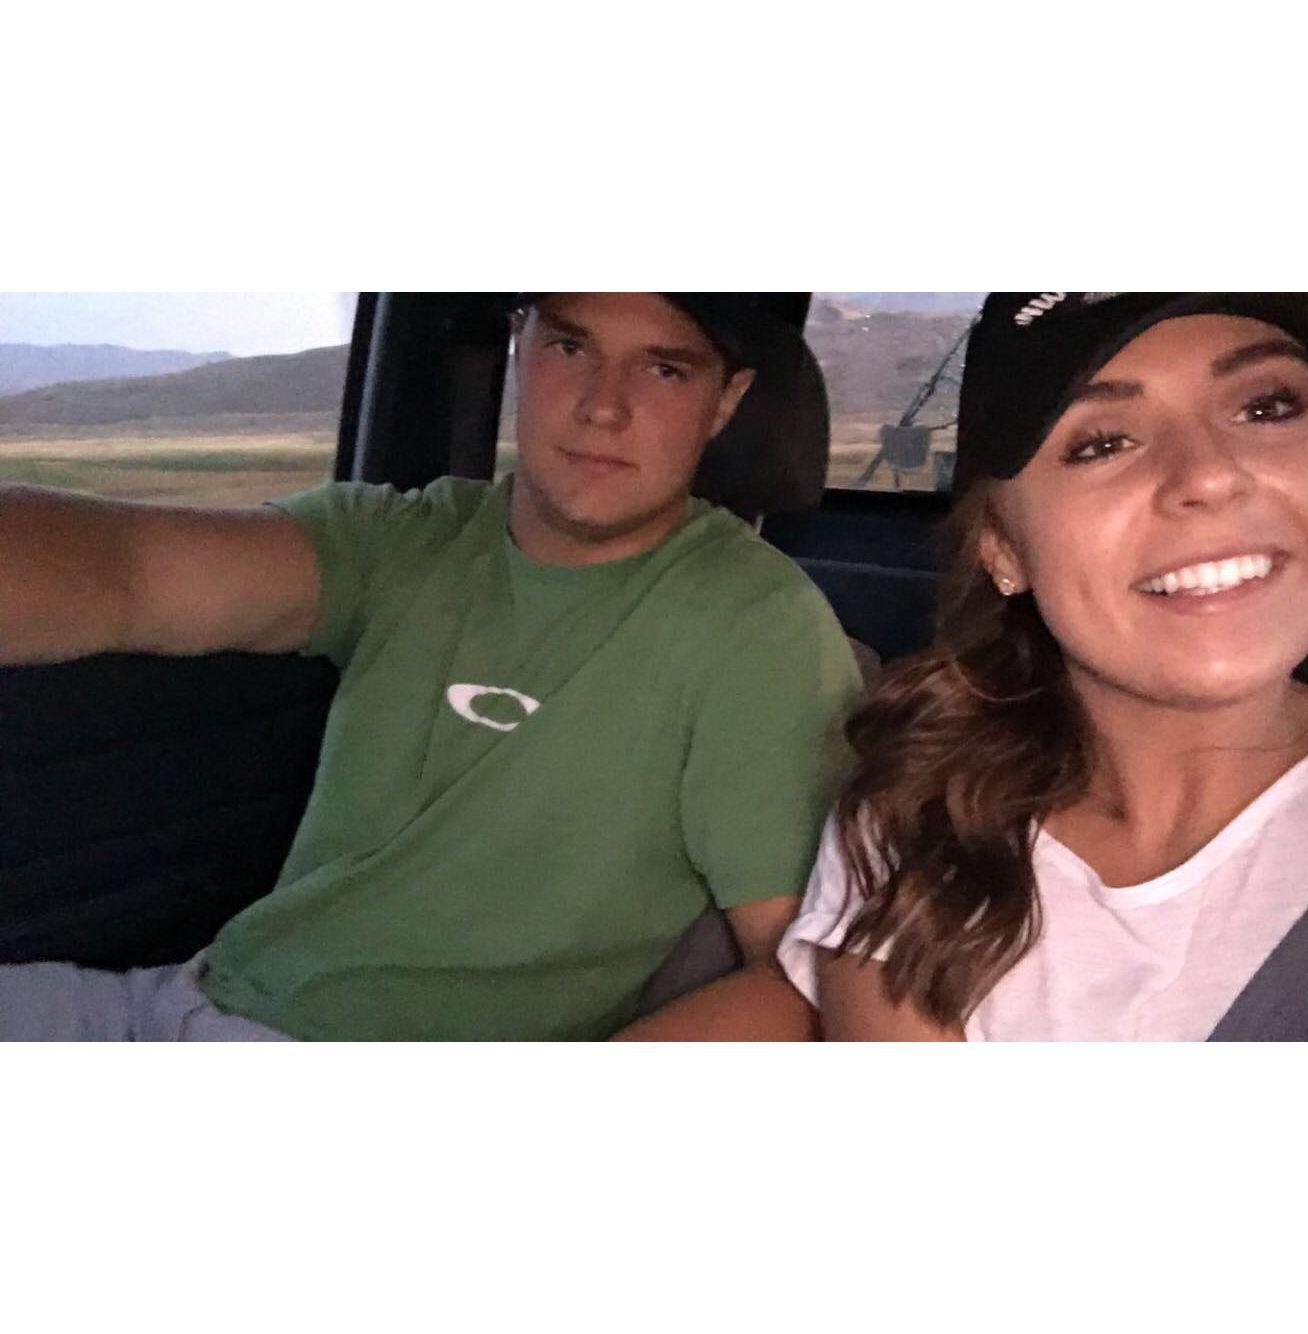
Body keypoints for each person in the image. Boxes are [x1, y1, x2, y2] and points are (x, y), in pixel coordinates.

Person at [0, 292, 863, 1041]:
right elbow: (129, 571)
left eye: (665, 370)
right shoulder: (406, 540)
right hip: (185, 999)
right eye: (571, 348)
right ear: (521, 347)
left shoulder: (759, 628)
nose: (603, 406)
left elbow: (806, 977)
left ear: (725, 402)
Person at [778, 293, 1308, 1040]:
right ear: (1003, 550)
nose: (1208, 476)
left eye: (1267, 408)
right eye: (1102, 443)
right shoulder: (922, 825)